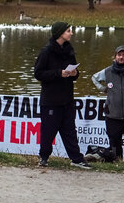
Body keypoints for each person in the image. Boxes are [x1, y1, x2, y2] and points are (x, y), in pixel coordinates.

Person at [33, 21, 91, 169]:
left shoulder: (69, 50)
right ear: (60, 33)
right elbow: (38, 73)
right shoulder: (46, 52)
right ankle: (44, 157)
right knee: (48, 131)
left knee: (70, 131)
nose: (71, 33)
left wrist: (75, 73)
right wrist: (59, 73)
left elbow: (75, 74)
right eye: (68, 31)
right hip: (51, 100)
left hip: (67, 99)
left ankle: (76, 158)